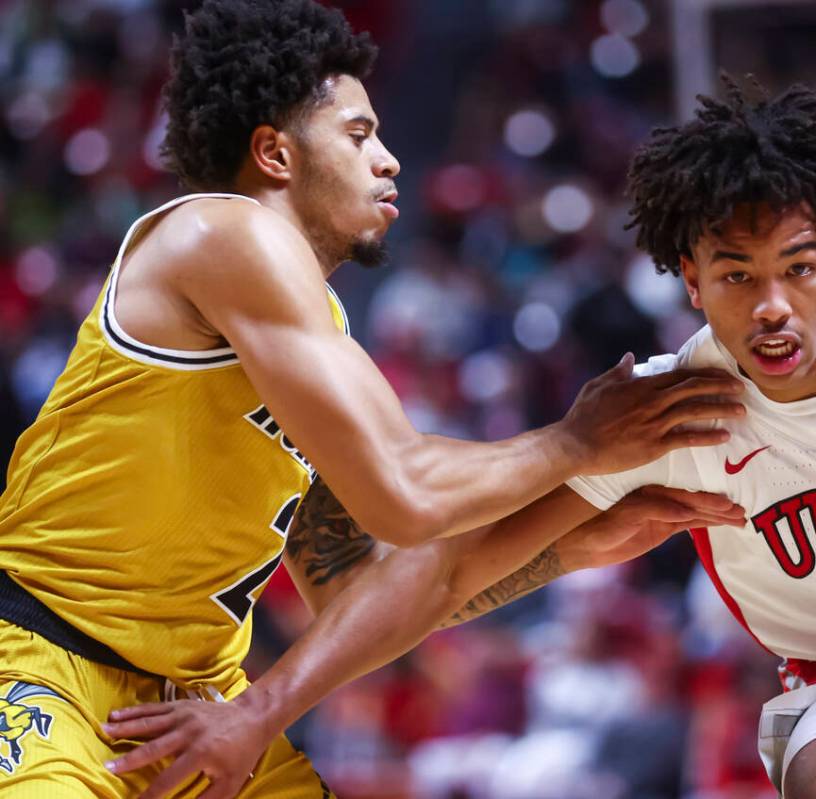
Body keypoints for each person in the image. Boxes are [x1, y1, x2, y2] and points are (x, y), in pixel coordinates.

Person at [111, 75, 816, 798]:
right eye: (735, 275)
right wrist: (261, 707)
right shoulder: (667, 408)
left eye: (799, 268)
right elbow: (439, 569)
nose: (770, 306)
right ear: (689, 281)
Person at [0, 0, 752, 794]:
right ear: (275, 154)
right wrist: (578, 444)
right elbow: (407, 493)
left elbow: (375, 589)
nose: (389, 160)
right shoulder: (224, 232)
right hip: (42, 666)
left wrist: (571, 536)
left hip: (189, 706)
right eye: (359, 135)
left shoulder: (304, 330)